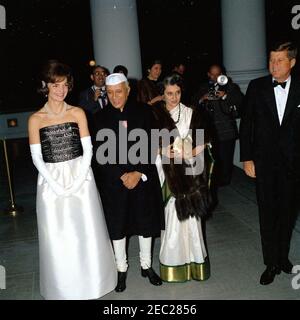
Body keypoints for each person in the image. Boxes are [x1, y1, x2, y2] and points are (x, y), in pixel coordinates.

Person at [28, 60, 117, 299]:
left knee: (87, 230)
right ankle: (63, 288)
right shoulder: (36, 119)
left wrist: (79, 181)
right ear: (46, 85)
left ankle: (93, 284)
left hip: (81, 176)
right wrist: (55, 184)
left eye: (65, 85)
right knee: (57, 235)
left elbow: (88, 150)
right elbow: (37, 158)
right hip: (50, 181)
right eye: (56, 85)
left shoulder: (78, 113)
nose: (61, 90)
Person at [93, 73, 164, 292]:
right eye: (110, 93)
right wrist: (121, 175)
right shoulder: (99, 117)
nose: (115, 97)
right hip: (115, 182)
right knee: (118, 225)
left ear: (128, 90)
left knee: (145, 221)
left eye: (119, 92)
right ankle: (121, 269)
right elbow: (98, 153)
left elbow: (153, 143)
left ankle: (146, 265)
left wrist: (137, 172)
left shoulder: (144, 112)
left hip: (142, 177)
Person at [240, 41, 300, 285]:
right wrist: (246, 158)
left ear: (292, 63)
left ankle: (283, 256)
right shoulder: (257, 87)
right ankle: (270, 263)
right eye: (271, 60)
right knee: (268, 214)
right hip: (264, 163)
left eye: (279, 60)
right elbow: (246, 126)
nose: (273, 65)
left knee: (288, 213)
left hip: (294, 165)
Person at [152, 74, 213, 282]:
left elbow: (205, 140)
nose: (174, 97)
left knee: (192, 218)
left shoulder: (191, 113)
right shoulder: (154, 115)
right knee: (172, 217)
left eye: (177, 92)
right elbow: (145, 146)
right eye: (169, 93)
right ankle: (173, 265)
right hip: (167, 173)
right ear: (163, 93)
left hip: (190, 171)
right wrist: (163, 152)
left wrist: (193, 151)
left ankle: (195, 264)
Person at [193, 64, 244, 206]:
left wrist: (225, 95)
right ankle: (212, 184)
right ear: (208, 74)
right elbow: (193, 104)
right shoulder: (203, 87)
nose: (215, 77)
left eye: (218, 74)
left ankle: (225, 186)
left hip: (226, 129)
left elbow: (241, 102)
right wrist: (203, 98)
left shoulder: (231, 87)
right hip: (209, 130)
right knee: (211, 159)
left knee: (226, 159)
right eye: (213, 74)